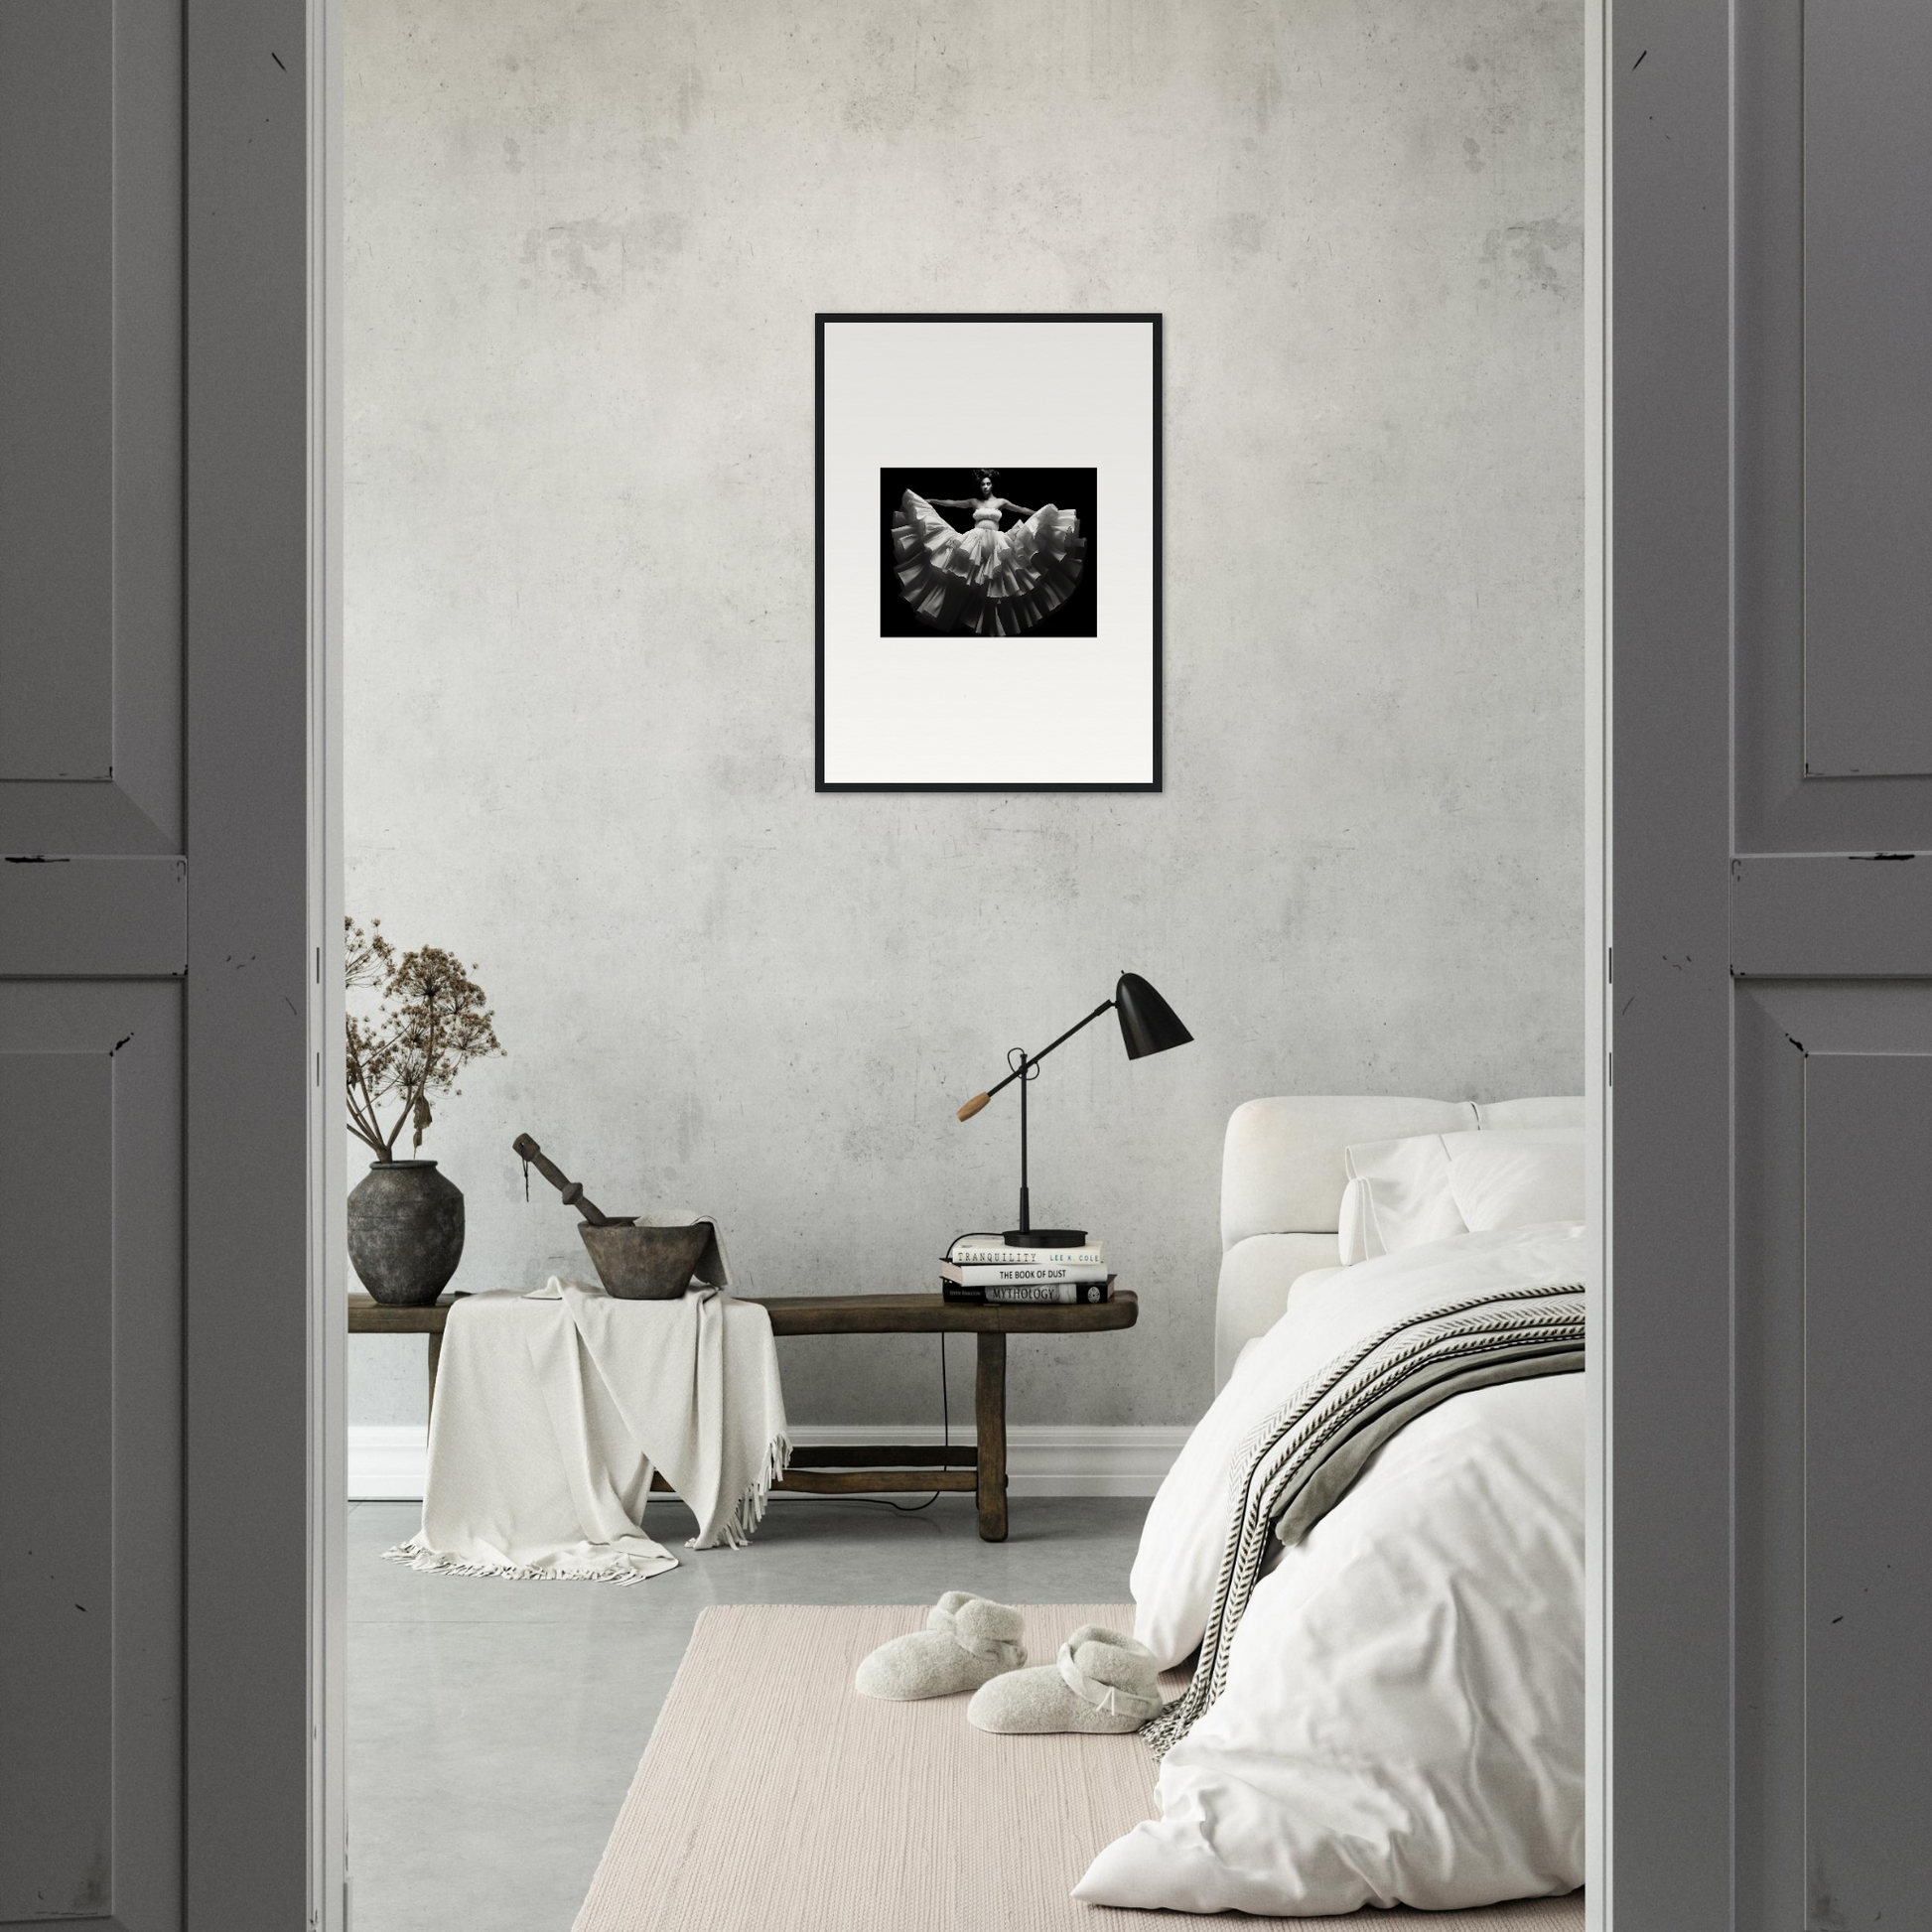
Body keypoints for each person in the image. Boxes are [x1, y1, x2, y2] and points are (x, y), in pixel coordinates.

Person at [889, 471, 1086, 636]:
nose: (985, 487)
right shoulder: (974, 501)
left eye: (988, 483)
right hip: (974, 540)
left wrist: (1039, 513)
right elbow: (951, 503)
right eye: (982, 484)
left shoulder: (1000, 501)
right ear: (979, 485)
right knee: (971, 578)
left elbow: (1020, 509)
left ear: (992, 484)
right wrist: (931, 500)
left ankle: (991, 623)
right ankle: (969, 619)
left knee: (995, 580)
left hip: (998, 541)